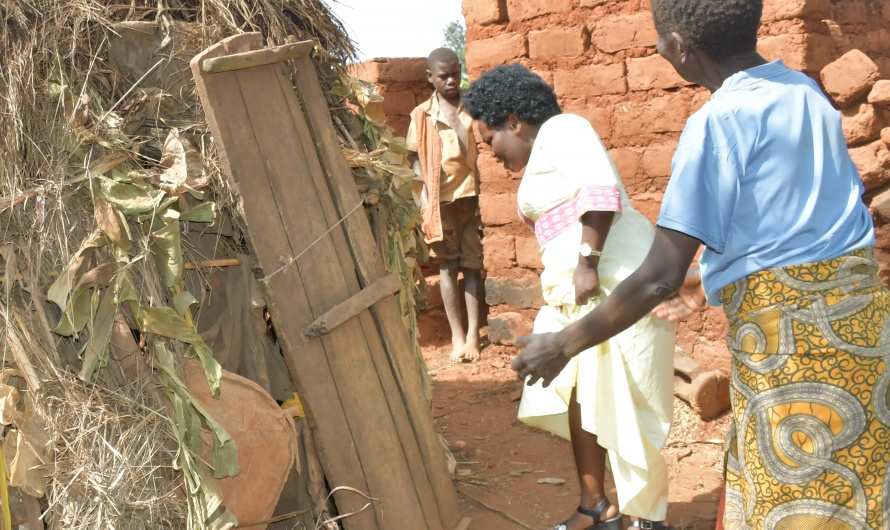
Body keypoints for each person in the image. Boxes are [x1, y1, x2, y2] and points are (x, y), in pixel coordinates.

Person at [511, 0, 890, 528]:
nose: (660, 51)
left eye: (660, 41)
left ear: (682, 47)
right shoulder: (804, 91)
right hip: (864, 326)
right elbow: (797, 225)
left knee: (799, 491)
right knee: (859, 484)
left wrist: (563, 344)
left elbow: (658, 273)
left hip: (793, 347)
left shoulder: (718, 122)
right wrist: (710, 279)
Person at [463, 64, 677, 530]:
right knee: (584, 397)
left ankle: (644, 516)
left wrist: (586, 262)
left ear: (514, 122)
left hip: (618, 292)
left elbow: (599, 193)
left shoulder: (564, 128)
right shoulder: (545, 154)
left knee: (629, 405)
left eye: (490, 140)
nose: (491, 153)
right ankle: (596, 507)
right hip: (578, 300)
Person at [407, 47, 483, 363]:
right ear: (430, 78)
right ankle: (456, 336)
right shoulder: (422, 115)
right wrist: (424, 201)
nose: (451, 80)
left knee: (474, 266)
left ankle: (474, 335)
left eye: (455, 73)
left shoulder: (474, 106)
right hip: (442, 202)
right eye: (443, 76)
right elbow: (415, 159)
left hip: (473, 199)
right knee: (449, 267)